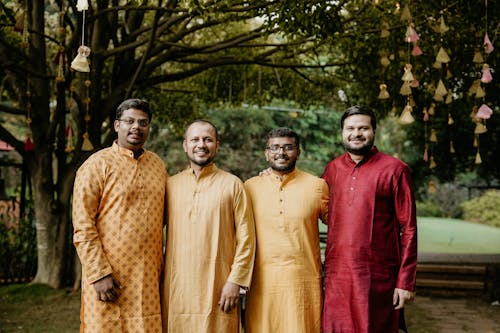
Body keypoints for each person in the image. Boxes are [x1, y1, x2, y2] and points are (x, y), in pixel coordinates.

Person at [72, 98, 167, 332]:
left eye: (143, 123)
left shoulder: (158, 166)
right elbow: (83, 225)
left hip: (149, 278)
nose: (136, 127)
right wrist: (98, 274)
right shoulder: (96, 165)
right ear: (117, 126)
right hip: (109, 277)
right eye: (130, 121)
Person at [321, 105, 418, 333]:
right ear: (342, 133)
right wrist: (274, 176)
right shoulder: (332, 169)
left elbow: (409, 228)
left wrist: (405, 282)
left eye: (363, 128)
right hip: (337, 277)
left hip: (377, 277)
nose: (356, 133)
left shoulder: (395, 169)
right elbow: (308, 204)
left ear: (374, 131)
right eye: (350, 128)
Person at [161, 119, 255, 332]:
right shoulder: (170, 185)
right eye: (195, 139)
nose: (201, 145)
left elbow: (246, 238)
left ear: (217, 145)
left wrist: (235, 282)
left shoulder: (233, 185)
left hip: (220, 288)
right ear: (185, 145)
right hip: (177, 289)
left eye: (207, 139)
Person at [244, 127, 329, 332]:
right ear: (266, 153)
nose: (280, 153)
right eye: (274, 148)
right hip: (262, 284)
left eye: (288, 147)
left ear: (298, 152)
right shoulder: (249, 187)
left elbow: (342, 228)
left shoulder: (317, 186)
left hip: (304, 285)